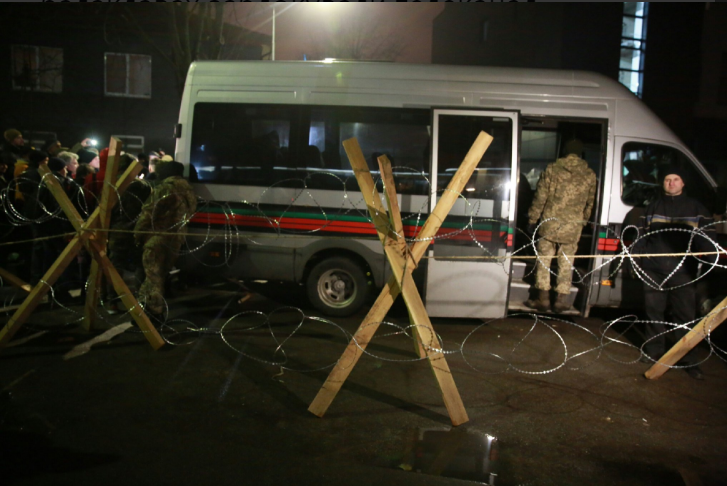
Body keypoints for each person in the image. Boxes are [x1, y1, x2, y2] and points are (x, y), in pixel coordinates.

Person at [633, 166, 715, 380]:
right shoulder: (652, 207)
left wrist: (710, 260)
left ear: (683, 183)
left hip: (683, 271)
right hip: (654, 269)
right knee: (654, 313)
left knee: (685, 316)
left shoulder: (696, 209)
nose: (671, 183)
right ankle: (654, 352)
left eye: (676, 179)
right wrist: (637, 260)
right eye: (667, 179)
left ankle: (688, 359)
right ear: (663, 183)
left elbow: (706, 240)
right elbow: (641, 238)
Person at [525, 139, 597, 313]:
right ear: (580, 153)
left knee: (544, 260)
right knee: (566, 262)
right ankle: (561, 301)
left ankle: (543, 299)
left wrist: (532, 218)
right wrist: (583, 221)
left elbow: (541, 196)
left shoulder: (552, 169)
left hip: (550, 223)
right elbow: (590, 203)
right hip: (573, 226)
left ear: (565, 151)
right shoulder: (589, 174)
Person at [134, 160, 197, 319]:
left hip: (157, 238)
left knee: (152, 278)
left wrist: (137, 234)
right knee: (161, 275)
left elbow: (148, 213)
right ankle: (154, 311)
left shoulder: (164, 188)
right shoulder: (188, 190)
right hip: (176, 239)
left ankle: (150, 314)